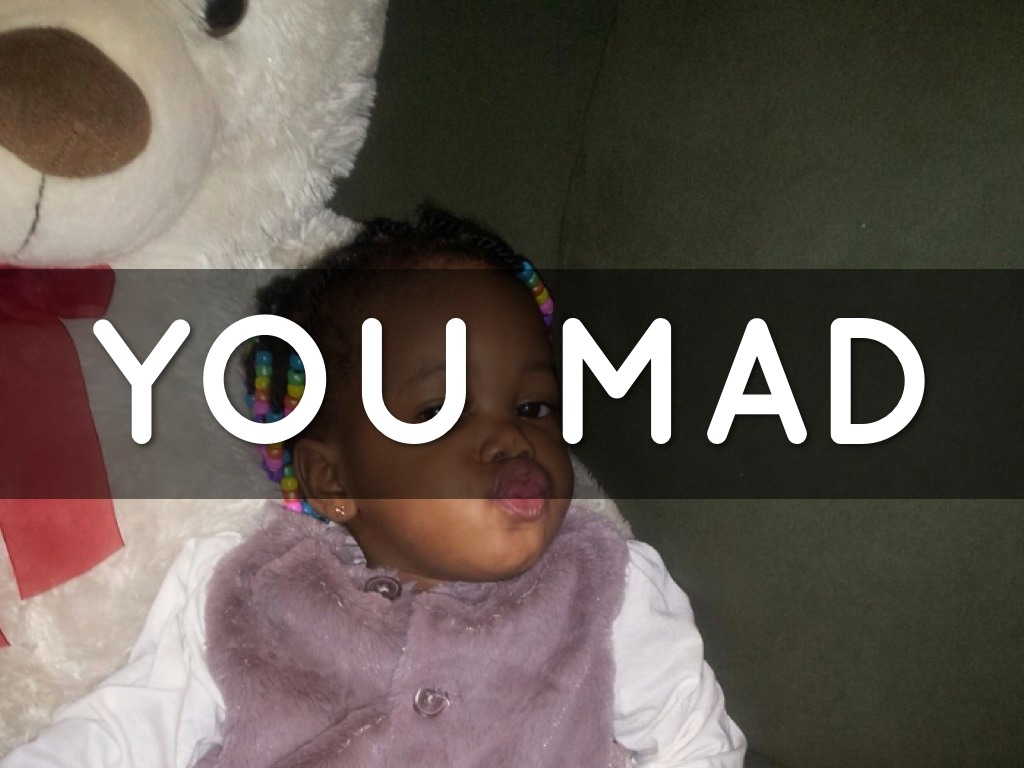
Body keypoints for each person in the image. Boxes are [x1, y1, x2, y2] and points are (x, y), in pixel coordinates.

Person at [1, 207, 746, 767]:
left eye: (533, 407)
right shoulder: (248, 591)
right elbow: (125, 731)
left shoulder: (605, 588)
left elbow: (693, 741)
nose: (510, 438)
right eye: (438, 409)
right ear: (333, 479)